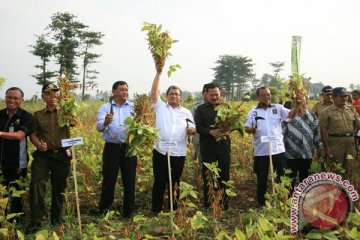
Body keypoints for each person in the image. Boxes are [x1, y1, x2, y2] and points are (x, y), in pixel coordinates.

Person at [26, 83, 75, 233]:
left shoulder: (67, 112)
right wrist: (38, 144)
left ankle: (56, 218)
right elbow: (33, 134)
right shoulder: (38, 115)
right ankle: (36, 220)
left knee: (59, 187)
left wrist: (70, 116)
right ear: (43, 97)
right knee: (37, 184)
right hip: (43, 156)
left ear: (60, 95)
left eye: (55, 92)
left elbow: (74, 124)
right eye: (48, 93)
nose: (52, 96)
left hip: (61, 155)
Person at [150, 71, 196, 214]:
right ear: (166, 96)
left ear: (181, 97)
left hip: (178, 152)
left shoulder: (186, 112)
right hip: (160, 150)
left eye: (176, 94)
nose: (173, 96)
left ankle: (172, 208)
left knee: (175, 181)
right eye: (171, 93)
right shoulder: (160, 107)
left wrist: (191, 131)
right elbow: (154, 91)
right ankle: (156, 210)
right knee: (159, 181)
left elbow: (193, 127)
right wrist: (158, 72)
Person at [244, 87, 295, 207]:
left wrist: (297, 105)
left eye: (268, 94)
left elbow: (291, 116)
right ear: (258, 97)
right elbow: (247, 128)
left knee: (282, 177)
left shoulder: (278, 108)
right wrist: (251, 130)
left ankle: (284, 201)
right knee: (262, 178)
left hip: (278, 149)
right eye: (263, 95)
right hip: (261, 151)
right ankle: (262, 203)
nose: (267, 97)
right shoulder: (253, 112)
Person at [96, 81, 137, 218]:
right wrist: (106, 122)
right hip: (111, 148)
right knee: (109, 179)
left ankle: (129, 212)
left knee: (129, 180)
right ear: (114, 92)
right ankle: (104, 210)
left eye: (126, 89)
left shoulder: (133, 107)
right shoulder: (105, 108)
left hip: (129, 148)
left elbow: (141, 124)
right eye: (121, 90)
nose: (125, 92)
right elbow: (99, 127)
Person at [194, 83, 231, 210]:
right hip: (208, 148)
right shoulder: (201, 109)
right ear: (206, 94)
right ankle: (208, 204)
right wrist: (210, 132)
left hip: (223, 147)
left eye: (217, 94)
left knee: (224, 176)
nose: (214, 97)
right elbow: (198, 127)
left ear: (220, 93)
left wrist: (228, 130)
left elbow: (232, 124)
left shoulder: (226, 107)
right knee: (208, 176)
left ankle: (224, 204)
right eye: (212, 95)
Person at [0, 87, 32, 222]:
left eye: (16, 98)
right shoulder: (0, 114)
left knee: (16, 195)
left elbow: (20, 136)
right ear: (5, 97)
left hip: (18, 163)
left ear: (22, 100)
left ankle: (18, 224)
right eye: (9, 97)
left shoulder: (27, 117)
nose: (12, 100)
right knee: (2, 194)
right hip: (1, 162)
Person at [282, 95, 322, 190]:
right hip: (291, 154)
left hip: (307, 153)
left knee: (305, 177)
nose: (300, 104)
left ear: (306, 102)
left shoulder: (312, 116)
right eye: (297, 102)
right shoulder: (287, 116)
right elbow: (281, 133)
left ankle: (303, 198)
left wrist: (319, 146)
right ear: (293, 103)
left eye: (302, 101)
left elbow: (316, 133)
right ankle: (287, 200)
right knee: (290, 177)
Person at [319, 87, 360, 178]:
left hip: (350, 142)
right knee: (335, 168)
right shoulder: (326, 112)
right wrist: (327, 147)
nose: (344, 98)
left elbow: (358, 123)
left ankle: (347, 190)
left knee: (350, 168)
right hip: (335, 143)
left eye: (345, 96)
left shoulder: (351, 109)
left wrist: (356, 129)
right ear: (334, 97)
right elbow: (323, 130)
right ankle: (335, 190)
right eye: (341, 96)